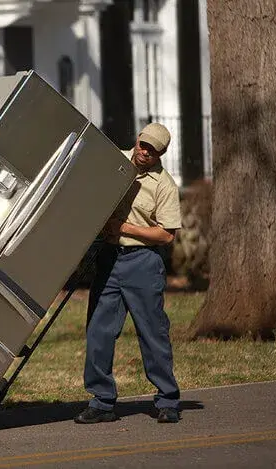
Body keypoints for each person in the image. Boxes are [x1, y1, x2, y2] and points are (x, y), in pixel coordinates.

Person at [75, 123, 182, 425]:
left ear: (161, 153)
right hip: (110, 259)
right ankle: (102, 402)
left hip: (143, 262)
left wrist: (125, 228)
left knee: (152, 333)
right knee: (99, 331)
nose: (144, 152)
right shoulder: (115, 162)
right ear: (137, 139)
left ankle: (168, 400)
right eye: (142, 144)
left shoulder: (164, 186)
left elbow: (166, 235)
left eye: (152, 149)